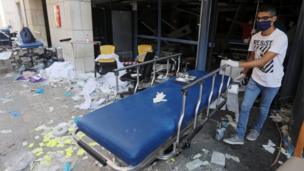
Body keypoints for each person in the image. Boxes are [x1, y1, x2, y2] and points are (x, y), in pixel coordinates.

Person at [223, 5, 288, 145]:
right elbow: (252, 56)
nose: (261, 21)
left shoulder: (280, 37)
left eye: (265, 18)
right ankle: (239, 136)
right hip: (255, 79)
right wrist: (245, 73)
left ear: (274, 19)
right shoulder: (255, 37)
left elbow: (264, 60)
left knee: (264, 108)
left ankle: (256, 130)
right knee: (245, 106)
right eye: (259, 18)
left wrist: (237, 64)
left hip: (272, 82)